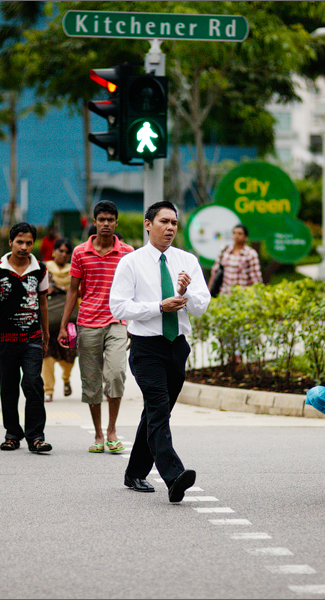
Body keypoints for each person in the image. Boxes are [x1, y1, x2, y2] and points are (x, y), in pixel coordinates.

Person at [110, 201, 211, 503]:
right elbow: (118, 306)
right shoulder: (131, 262)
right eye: (164, 221)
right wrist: (158, 306)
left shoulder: (187, 261)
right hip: (146, 347)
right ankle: (173, 475)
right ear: (147, 224)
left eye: (174, 223)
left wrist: (185, 293)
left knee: (158, 412)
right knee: (157, 406)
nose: (169, 228)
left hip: (177, 345)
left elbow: (202, 305)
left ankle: (134, 472)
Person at [58, 201, 134, 454]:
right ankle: (98, 434)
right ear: (94, 221)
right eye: (101, 219)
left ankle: (112, 430)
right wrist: (63, 326)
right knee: (91, 381)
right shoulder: (80, 252)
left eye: (110, 219)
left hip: (117, 321)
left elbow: (134, 291)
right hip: (87, 323)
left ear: (116, 222)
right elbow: (72, 291)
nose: (106, 224)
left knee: (115, 375)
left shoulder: (127, 252)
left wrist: (133, 323)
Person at [0, 223, 52, 454]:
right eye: (19, 242)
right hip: (5, 340)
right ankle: (12, 434)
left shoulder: (40, 269)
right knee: (8, 388)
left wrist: (46, 333)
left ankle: (36, 437)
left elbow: (43, 303)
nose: (24, 247)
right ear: (10, 242)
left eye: (29, 243)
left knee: (33, 384)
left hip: (32, 339)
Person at [43, 238, 77, 402]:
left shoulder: (74, 270)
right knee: (47, 356)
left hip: (70, 320)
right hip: (49, 321)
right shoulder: (45, 268)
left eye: (66, 252)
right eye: (60, 251)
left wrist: (60, 288)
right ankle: (48, 390)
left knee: (70, 354)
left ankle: (66, 378)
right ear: (53, 252)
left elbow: (79, 290)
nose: (63, 254)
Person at [207, 224, 263, 296]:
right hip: (224, 294)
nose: (236, 236)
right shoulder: (225, 250)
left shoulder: (251, 254)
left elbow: (256, 279)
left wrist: (257, 296)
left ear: (245, 237)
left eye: (240, 234)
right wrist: (209, 292)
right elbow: (215, 272)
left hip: (243, 296)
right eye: (234, 233)